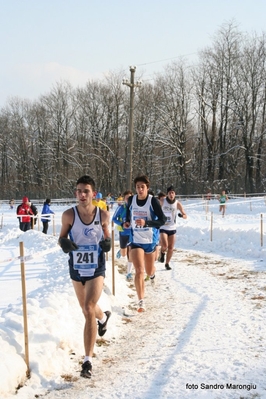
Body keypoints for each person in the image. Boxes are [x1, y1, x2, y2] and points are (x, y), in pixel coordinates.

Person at [58, 175, 111, 379]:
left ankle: (87, 361)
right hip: (77, 267)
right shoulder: (68, 215)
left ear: (93, 194)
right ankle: (104, 317)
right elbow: (61, 237)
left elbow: (108, 239)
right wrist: (64, 244)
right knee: (86, 308)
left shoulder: (103, 216)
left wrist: (107, 244)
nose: (82, 194)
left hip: (96, 267)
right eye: (79, 191)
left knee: (88, 308)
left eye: (86, 191)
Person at [123, 175, 167, 312]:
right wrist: (127, 221)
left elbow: (162, 220)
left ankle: (153, 275)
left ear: (147, 188)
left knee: (148, 270)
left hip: (149, 240)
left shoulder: (152, 201)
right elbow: (127, 214)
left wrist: (147, 223)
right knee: (139, 271)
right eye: (137, 187)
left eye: (142, 187)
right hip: (136, 240)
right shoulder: (131, 200)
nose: (140, 189)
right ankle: (141, 300)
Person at [158, 185, 187, 270]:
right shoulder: (163, 201)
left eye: (173, 193)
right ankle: (162, 252)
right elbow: (155, 209)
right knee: (165, 245)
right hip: (163, 226)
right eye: (170, 193)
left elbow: (185, 215)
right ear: (167, 194)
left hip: (172, 227)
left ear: (175, 194)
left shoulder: (177, 203)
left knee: (170, 248)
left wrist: (182, 216)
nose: (171, 194)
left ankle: (167, 263)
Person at [112, 189, 133, 280]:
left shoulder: (135, 207)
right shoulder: (121, 208)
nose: (128, 200)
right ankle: (121, 251)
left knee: (131, 254)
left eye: (130, 198)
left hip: (133, 233)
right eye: (126, 198)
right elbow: (114, 218)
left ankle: (129, 273)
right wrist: (122, 224)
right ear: (124, 199)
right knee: (124, 253)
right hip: (123, 232)